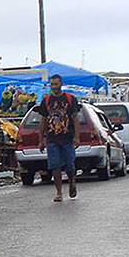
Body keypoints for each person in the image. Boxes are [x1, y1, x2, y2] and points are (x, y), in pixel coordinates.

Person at [36, 74, 82, 202]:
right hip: (52, 138)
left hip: (67, 137)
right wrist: (41, 139)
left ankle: (72, 182)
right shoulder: (46, 100)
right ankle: (59, 192)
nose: (54, 87)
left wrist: (77, 136)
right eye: (52, 84)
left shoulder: (69, 99)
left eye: (56, 84)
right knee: (54, 166)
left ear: (61, 84)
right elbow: (43, 120)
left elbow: (75, 118)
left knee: (69, 165)